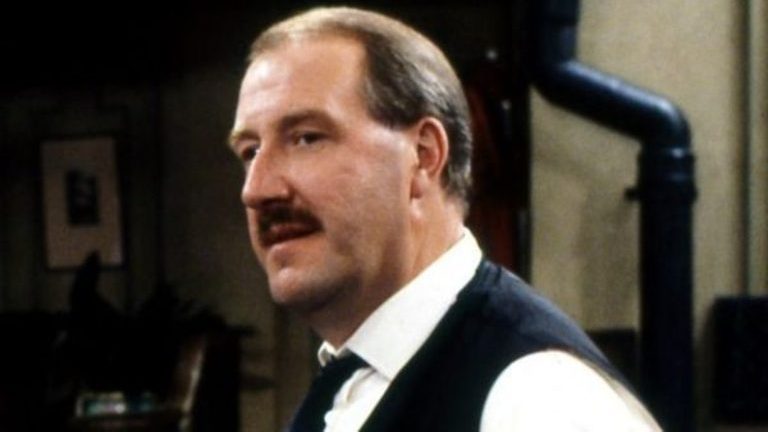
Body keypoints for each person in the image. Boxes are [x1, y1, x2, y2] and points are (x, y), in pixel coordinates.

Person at [229, 6, 661, 431]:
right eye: (250, 152)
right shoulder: (344, 386)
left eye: (306, 138)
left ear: (423, 156)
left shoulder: (539, 395)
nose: (256, 189)